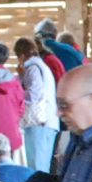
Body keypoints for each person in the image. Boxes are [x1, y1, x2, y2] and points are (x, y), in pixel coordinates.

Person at [14, 39, 59, 173]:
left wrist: (16, 92)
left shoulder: (33, 68)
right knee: (40, 165)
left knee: (37, 167)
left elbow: (34, 94)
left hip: (39, 122)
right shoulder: (41, 66)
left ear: (21, 55)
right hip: (47, 121)